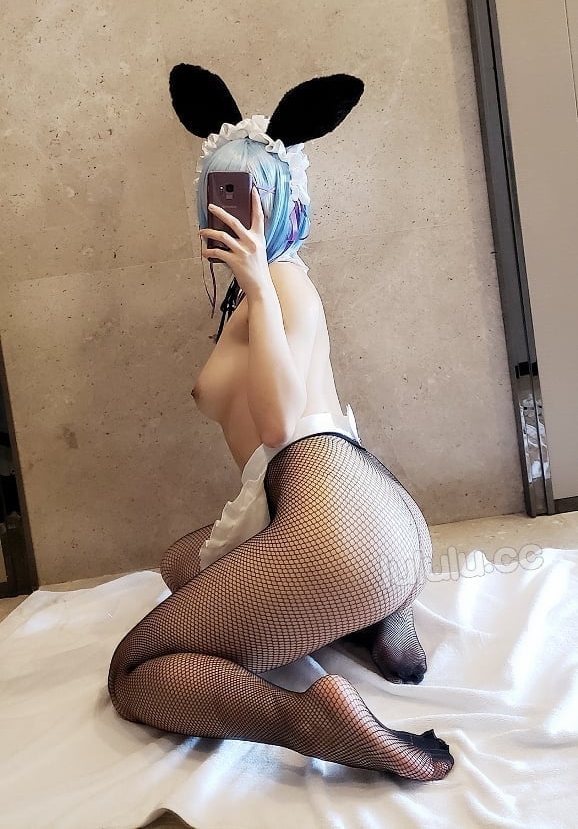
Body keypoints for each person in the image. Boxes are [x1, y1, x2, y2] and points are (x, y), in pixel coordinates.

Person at [107, 66, 454, 782]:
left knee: (136, 672)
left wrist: (260, 286)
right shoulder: (258, 295)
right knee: (181, 564)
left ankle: (308, 718)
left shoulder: (282, 285)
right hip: (376, 522)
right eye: (218, 195)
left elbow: (276, 422)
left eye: (247, 196)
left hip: (337, 531)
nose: (227, 213)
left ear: (286, 203)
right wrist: (253, 290)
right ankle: (378, 617)